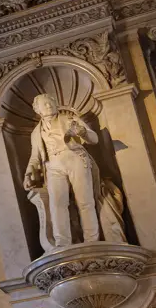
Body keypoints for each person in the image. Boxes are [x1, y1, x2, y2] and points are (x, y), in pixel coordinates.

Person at [24, 94, 104, 248]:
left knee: (85, 201)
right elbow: (35, 157)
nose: (49, 106)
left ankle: (92, 240)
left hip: (74, 158)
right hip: (52, 165)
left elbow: (94, 139)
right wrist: (28, 174)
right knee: (57, 204)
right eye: (45, 105)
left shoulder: (69, 119)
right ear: (37, 110)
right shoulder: (36, 132)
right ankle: (62, 242)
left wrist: (82, 132)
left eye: (50, 103)